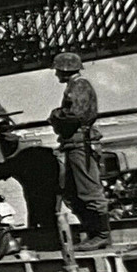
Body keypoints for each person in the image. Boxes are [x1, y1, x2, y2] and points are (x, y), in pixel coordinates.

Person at [49, 52, 111, 250]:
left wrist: (55, 115)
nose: (56, 74)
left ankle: (100, 234)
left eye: (58, 70)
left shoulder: (79, 86)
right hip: (74, 143)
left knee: (89, 190)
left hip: (80, 143)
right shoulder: (76, 86)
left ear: (65, 70)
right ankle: (93, 232)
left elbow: (74, 115)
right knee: (72, 192)